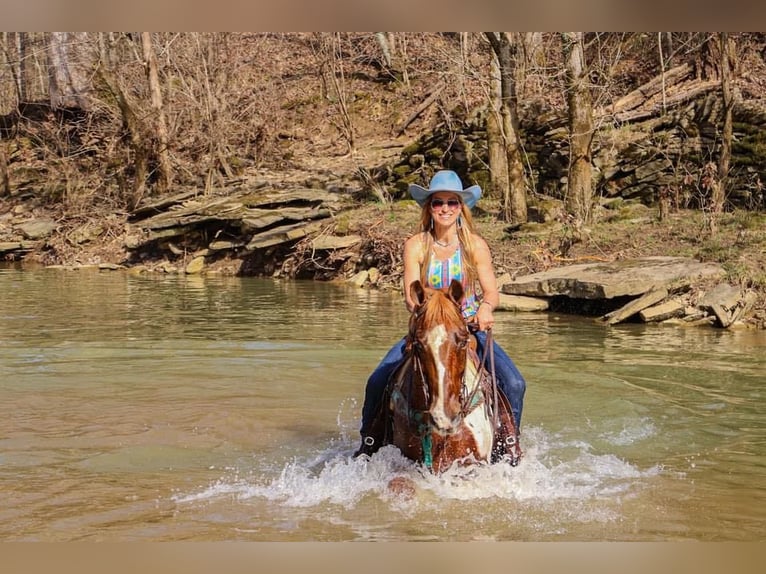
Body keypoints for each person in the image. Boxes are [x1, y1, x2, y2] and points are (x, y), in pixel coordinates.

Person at [355, 169, 527, 457]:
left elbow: (492, 292)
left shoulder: (474, 245)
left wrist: (485, 308)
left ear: (461, 207)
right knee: (376, 381)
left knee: (514, 383)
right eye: (438, 203)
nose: (445, 209)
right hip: (429, 328)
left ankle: (509, 444)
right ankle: (369, 442)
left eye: (452, 202)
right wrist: (428, 312)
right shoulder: (416, 244)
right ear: (429, 207)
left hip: (467, 328)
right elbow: (411, 294)